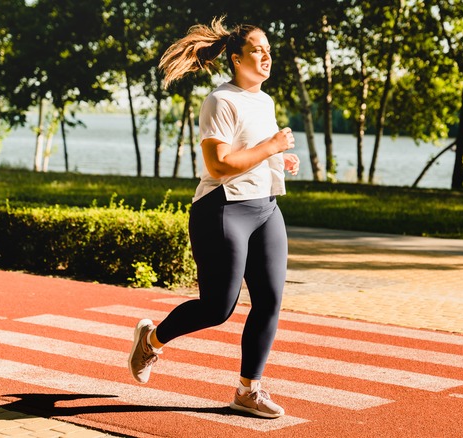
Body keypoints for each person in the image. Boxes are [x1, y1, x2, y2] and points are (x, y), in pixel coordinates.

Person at [128, 17, 300, 419]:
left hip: (266, 207)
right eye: (258, 50)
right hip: (223, 208)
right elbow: (219, 165)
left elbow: (251, 153)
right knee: (218, 307)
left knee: (271, 301)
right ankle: (151, 340)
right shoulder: (220, 101)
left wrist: (278, 156)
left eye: (269, 50)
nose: (267, 56)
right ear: (237, 58)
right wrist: (271, 144)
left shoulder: (265, 100)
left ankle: (247, 390)